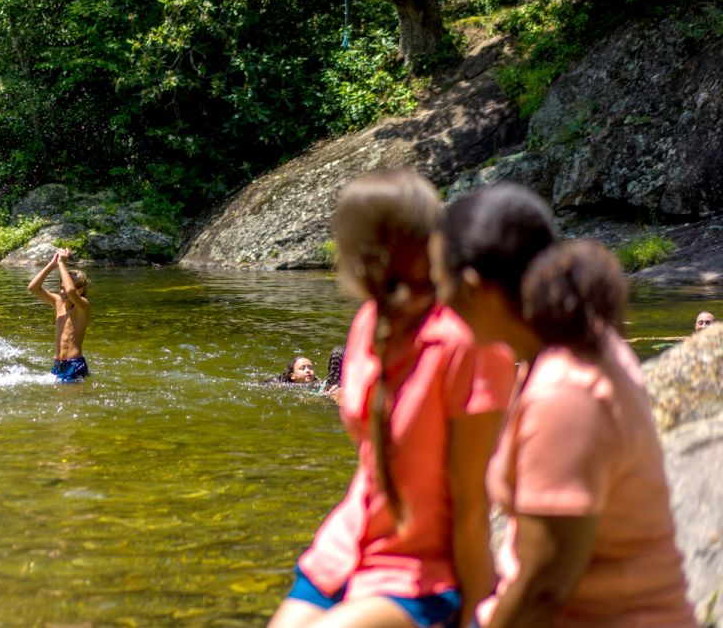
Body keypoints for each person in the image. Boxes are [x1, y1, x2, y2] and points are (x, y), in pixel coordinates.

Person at [436, 186, 694, 626]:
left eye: (439, 284)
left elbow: (543, 588)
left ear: (474, 289)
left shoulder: (566, 391)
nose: (436, 303)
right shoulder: (561, 344)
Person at [268, 170, 515, 628]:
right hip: (346, 545)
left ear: (366, 252)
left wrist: (477, 613)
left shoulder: (468, 343)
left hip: (424, 571)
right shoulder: (368, 324)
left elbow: (472, 500)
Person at [27, 248, 90, 383]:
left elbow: (71, 291)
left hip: (74, 364)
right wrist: (52, 264)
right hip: (58, 364)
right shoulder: (58, 302)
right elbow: (33, 288)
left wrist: (62, 264)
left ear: (81, 290)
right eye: (60, 287)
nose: (62, 291)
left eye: (64, 288)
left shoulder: (82, 306)